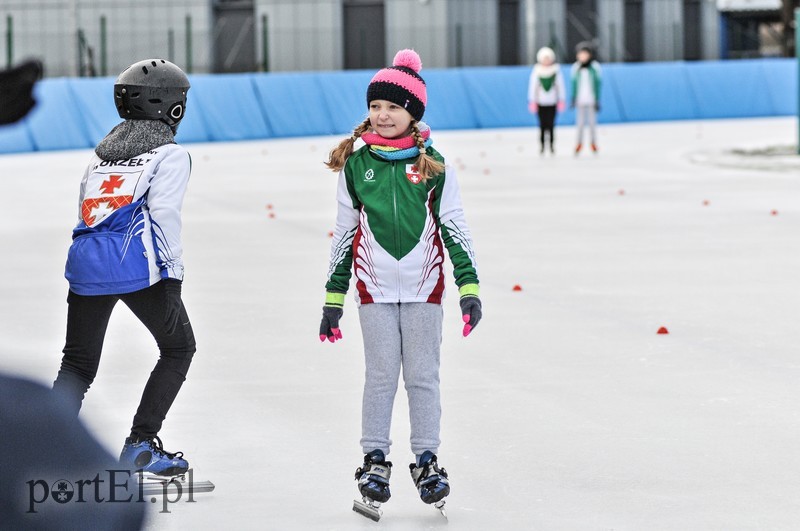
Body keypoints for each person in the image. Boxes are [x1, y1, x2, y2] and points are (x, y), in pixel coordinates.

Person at [320, 49, 482, 515]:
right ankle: (374, 459)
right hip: (372, 290)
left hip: (424, 289)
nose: (383, 115)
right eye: (375, 106)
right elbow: (345, 233)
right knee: (380, 376)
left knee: (423, 378)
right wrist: (333, 298)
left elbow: (454, 226)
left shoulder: (434, 165)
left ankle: (427, 460)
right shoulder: (357, 165)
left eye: (393, 106)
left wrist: (468, 288)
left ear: (413, 113)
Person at [52, 59, 196, 477]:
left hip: (85, 264)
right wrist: (172, 277)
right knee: (179, 348)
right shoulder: (170, 155)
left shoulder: (100, 157)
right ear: (171, 107)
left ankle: (40, 448)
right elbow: (164, 215)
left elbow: (87, 210)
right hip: (134, 266)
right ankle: (140, 444)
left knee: (77, 365)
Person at [527, 46, 566, 155]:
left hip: (552, 102)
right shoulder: (537, 71)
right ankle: (542, 145)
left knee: (551, 124)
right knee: (542, 125)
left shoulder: (555, 71)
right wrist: (532, 100)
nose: (546, 61)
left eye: (548, 58)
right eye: (544, 58)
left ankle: (552, 145)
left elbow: (560, 86)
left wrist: (561, 99)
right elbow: (533, 87)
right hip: (540, 103)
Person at [570, 43, 602, 155]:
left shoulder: (595, 67)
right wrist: (573, 98)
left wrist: (597, 99)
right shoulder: (576, 67)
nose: (582, 56)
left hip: (591, 99)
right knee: (580, 124)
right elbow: (573, 84)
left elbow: (598, 84)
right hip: (580, 100)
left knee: (592, 123)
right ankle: (579, 143)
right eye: (581, 54)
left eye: (585, 54)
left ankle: (593, 143)